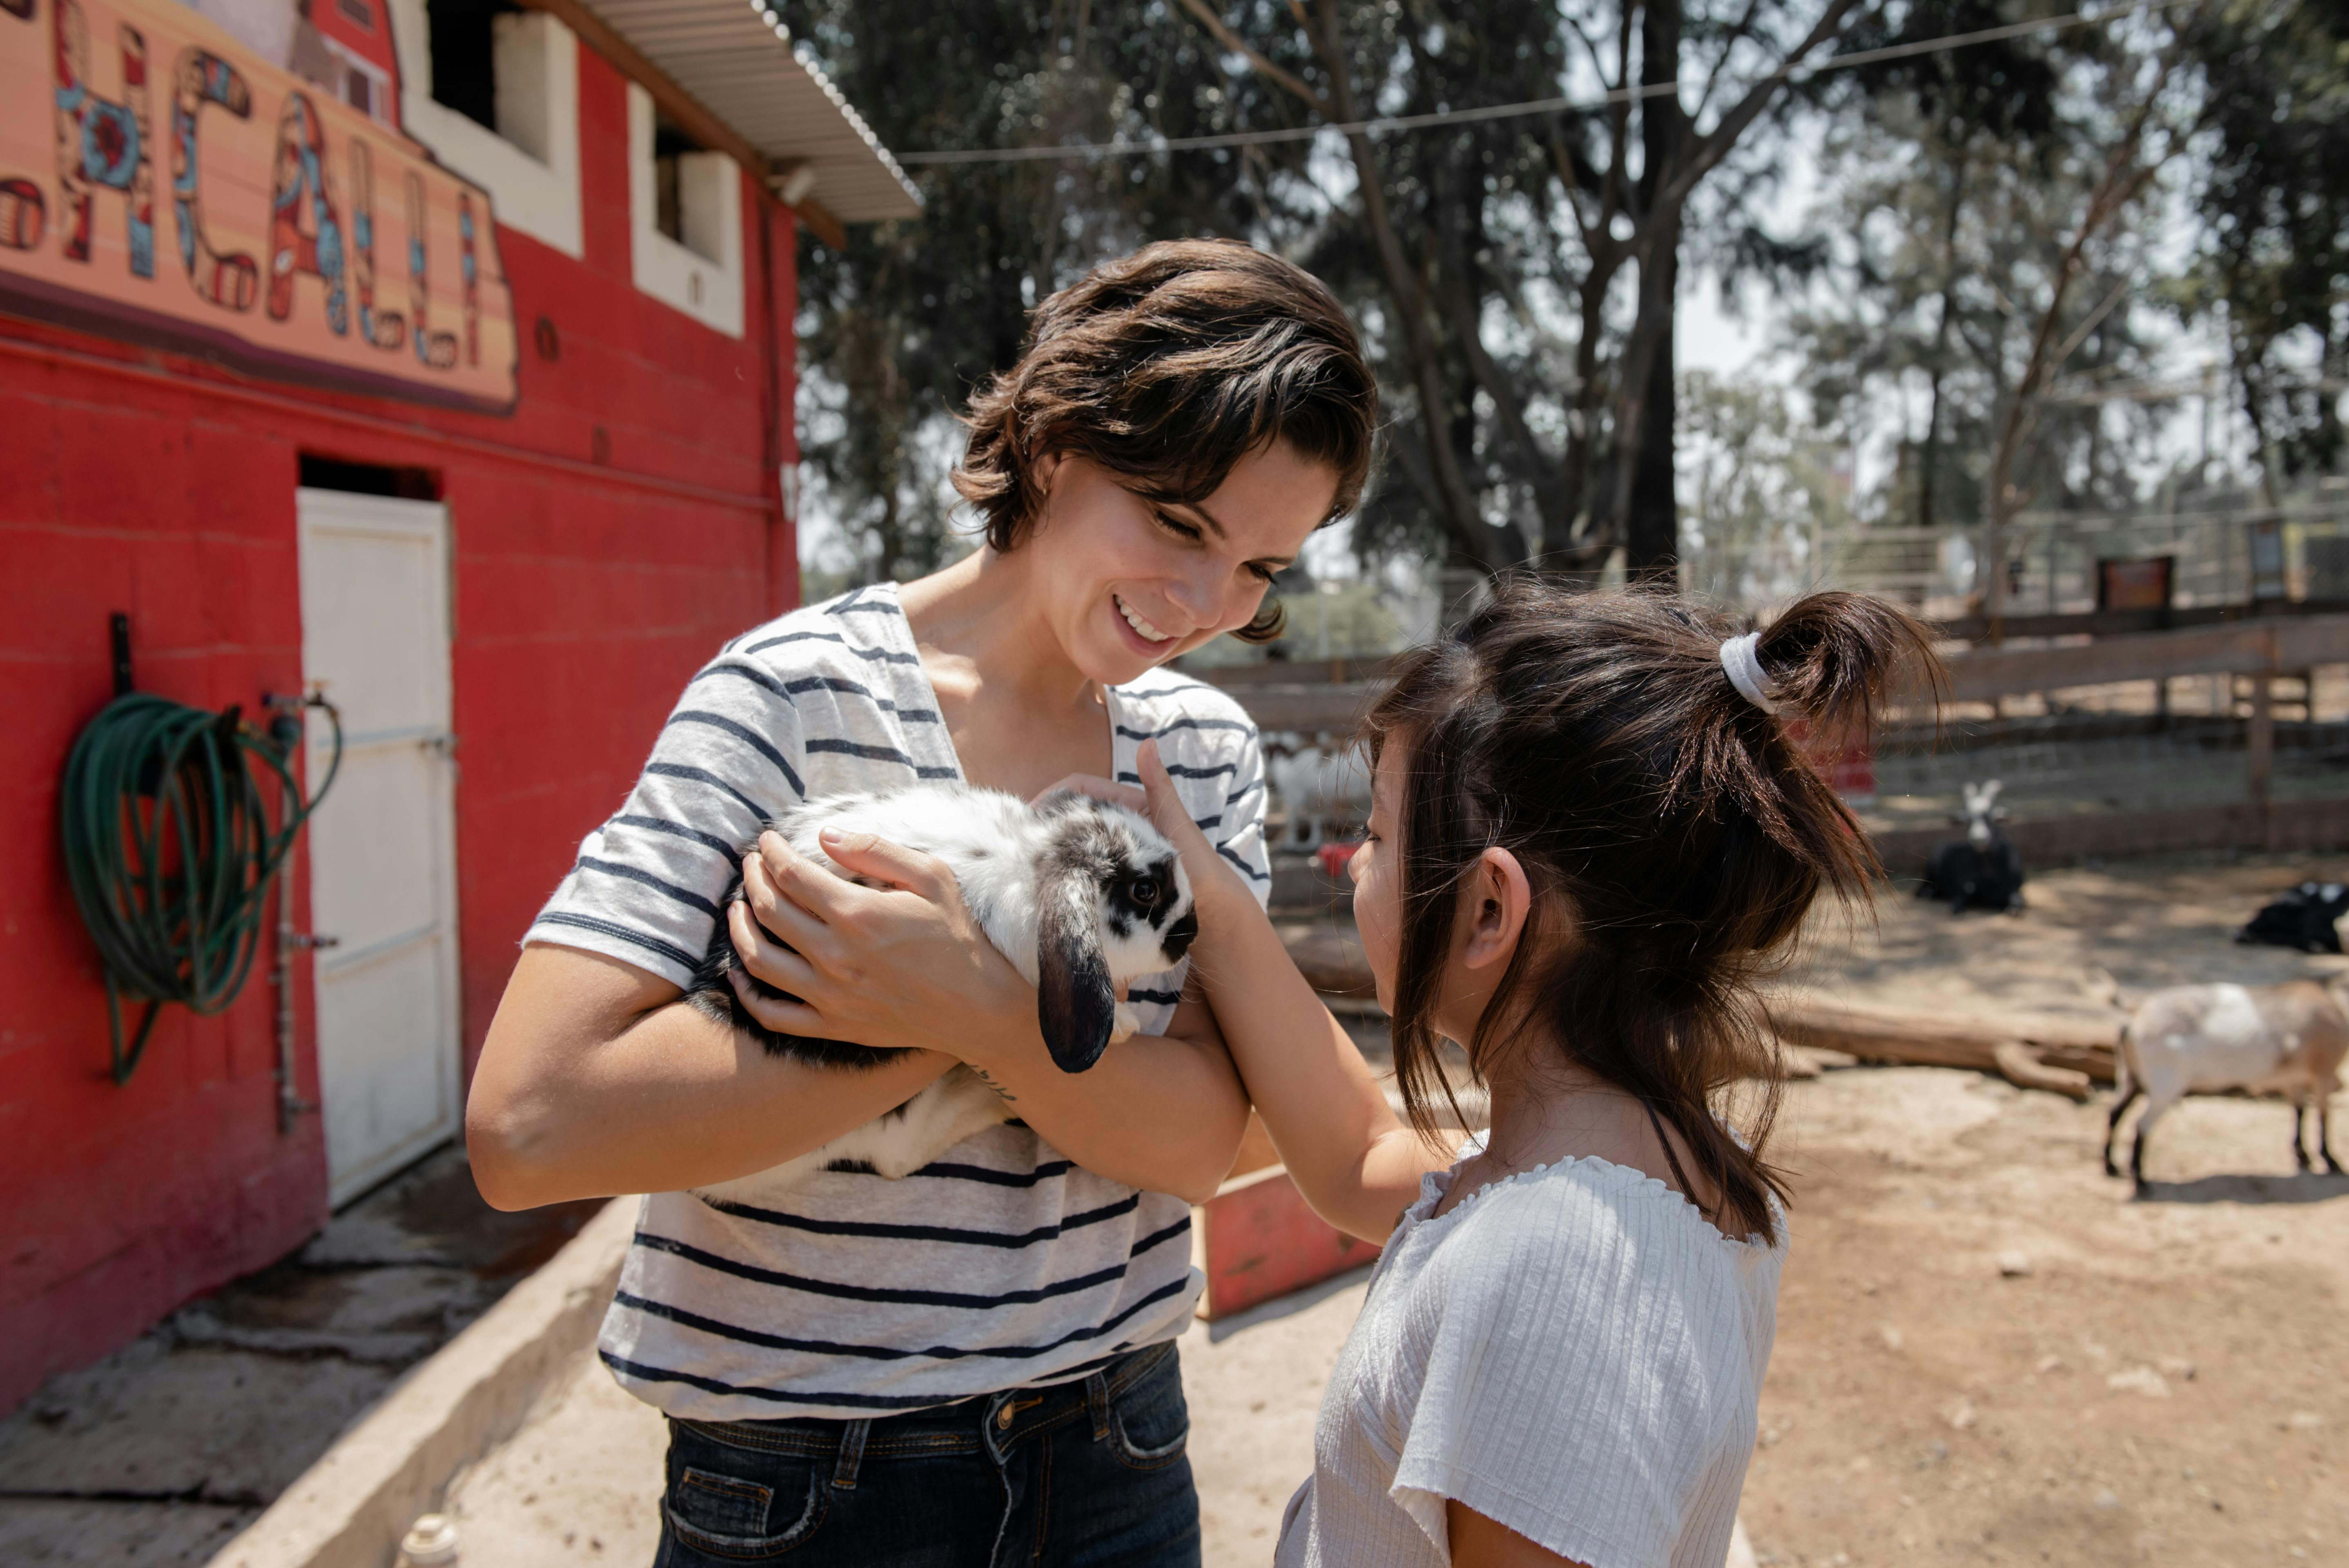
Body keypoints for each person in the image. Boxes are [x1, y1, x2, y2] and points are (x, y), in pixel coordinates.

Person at [463, 238, 1378, 1567]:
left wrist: (979, 1011)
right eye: (1180, 524)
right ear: (1059, 442)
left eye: (1259, 569)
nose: (1202, 604)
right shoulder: (789, 695)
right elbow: (534, 1125)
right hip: (805, 1480)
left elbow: (1203, 1143)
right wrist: (1000, 1028)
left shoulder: (1196, 753)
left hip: (1113, 1449)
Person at [1118, 580, 1938, 1567]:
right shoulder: (1603, 1174)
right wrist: (1206, 898)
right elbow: (1355, 1155)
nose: (1353, 868)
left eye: (1378, 838)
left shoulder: (1559, 1272)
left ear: (1488, 912)